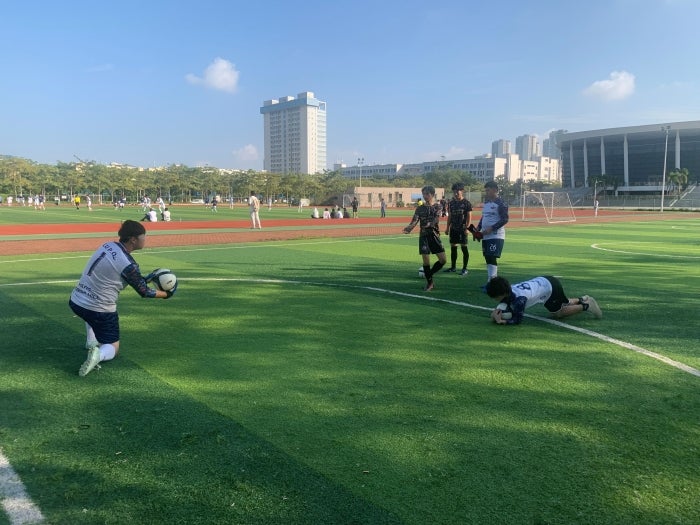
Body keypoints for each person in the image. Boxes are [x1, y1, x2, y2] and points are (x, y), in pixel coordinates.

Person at [69, 220, 177, 376]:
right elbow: (144, 292)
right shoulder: (129, 265)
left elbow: (128, 277)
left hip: (76, 301)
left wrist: (146, 278)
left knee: (90, 310)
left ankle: (91, 341)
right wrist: (167, 294)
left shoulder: (107, 245)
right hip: (100, 310)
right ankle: (99, 355)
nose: (144, 240)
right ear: (133, 239)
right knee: (113, 347)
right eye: (143, 237)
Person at [485, 275, 602, 325]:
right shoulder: (509, 290)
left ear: (503, 293)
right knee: (563, 302)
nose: (495, 299)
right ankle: (582, 299)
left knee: (558, 313)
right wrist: (495, 314)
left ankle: (587, 306)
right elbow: (504, 304)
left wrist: (502, 321)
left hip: (550, 288)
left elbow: (517, 319)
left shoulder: (520, 300)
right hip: (545, 280)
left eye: (496, 297)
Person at [402, 186, 447, 291]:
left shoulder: (438, 206)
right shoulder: (419, 208)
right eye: (423, 194)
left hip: (434, 235)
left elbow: (436, 218)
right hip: (423, 236)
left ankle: (429, 274)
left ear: (432, 194)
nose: (425, 196)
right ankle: (430, 283)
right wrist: (408, 228)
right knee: (426, 260)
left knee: (443, 260)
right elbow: (414, 220)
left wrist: (430, 224)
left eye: (427, 194)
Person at [477, 180, 509, 288]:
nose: (486, 192)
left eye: (488, 190)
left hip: (496, 235)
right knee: (487, 257)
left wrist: (491, 228)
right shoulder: (486, 203)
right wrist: (478, 228)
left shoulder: (501, 203)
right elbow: (484, 217)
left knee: (491, 257)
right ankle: (490, 282)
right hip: (485, 235)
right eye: (485, 190)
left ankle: (493, 284)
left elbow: (505, 219)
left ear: (495, 190)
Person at [443, 182, 473, 276]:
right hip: (454, 228)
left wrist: (468, 228)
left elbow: (469, 216)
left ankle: (465, 268)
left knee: (464, 247)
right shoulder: (451, 203)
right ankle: (453, 267)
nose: (456, 193)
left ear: (462, 191)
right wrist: (447, 228)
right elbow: (450, 216)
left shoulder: (466, 203)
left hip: (463, 228)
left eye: (457, 191)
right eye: (454, 192)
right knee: (453, 247)